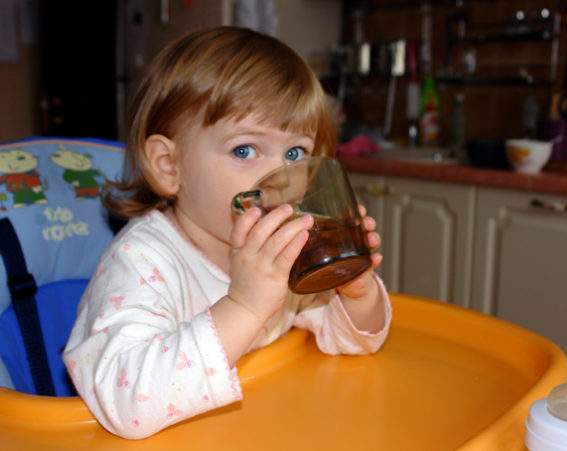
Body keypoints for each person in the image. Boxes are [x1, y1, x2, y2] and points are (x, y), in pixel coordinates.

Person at [63, 26, 392, 439]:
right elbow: (126, 406)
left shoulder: (287, 247)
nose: (279, 178)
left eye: (295, 154)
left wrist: (356, 293)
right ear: (169, 166)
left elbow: (353, 343)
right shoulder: (141, 263)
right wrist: (246, 306)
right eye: (244, 150)